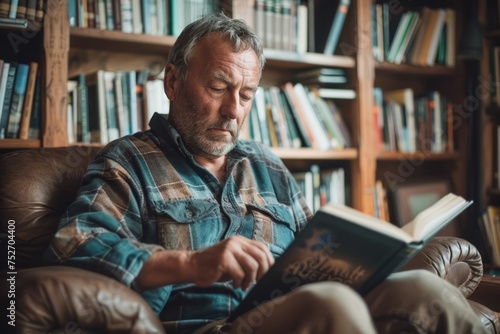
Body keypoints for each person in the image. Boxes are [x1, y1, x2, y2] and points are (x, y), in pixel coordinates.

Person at [44, 13, 487, 334]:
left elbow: (316, 254)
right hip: (210, 327)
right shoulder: (129, 161)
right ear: (173, 82)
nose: (234, 110)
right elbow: (74, 242)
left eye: (247, 94)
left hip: (291, 311)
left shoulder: (268, 166)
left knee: (421, 290)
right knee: (328, 303)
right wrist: (191, 263)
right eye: (218, 88)